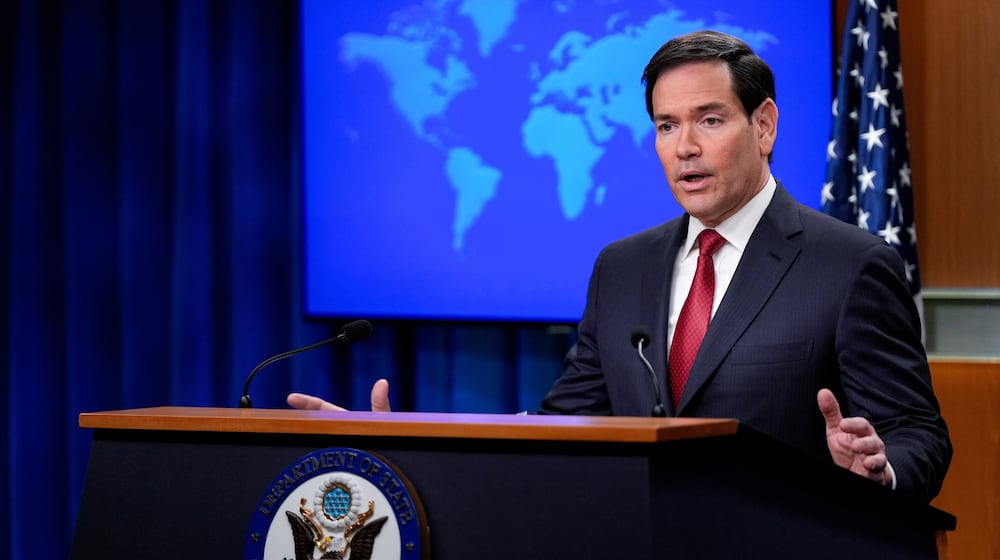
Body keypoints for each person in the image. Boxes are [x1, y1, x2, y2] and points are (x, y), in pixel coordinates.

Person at [289, 30, 951, 502]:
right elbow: (564, 428)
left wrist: (879, 466)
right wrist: (404, 437)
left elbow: (919, 434)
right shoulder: (623, 267)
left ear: (765, 126)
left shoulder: (849, 265)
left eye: (709, 120)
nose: (684, 148)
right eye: (666, 126)